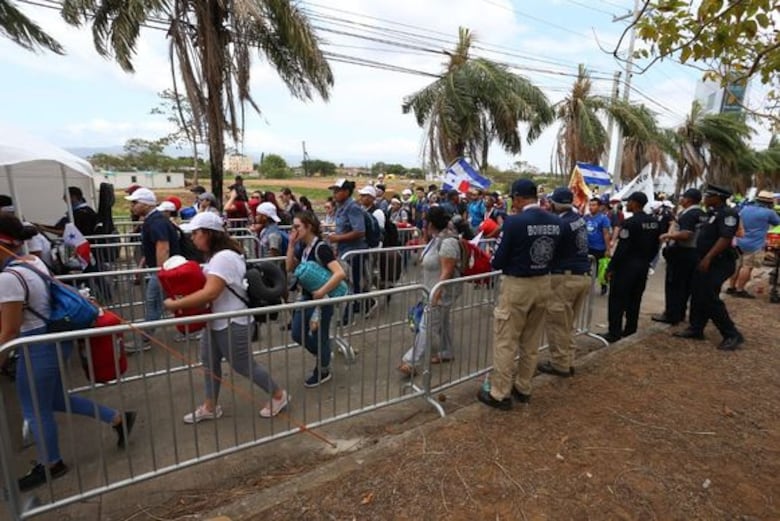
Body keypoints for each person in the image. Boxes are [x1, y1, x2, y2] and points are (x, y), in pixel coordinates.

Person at [0, 214, 135, 491]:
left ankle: (52, 464)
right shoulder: (32, 262)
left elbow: (10, 329)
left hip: (35, 343)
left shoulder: (9, 278)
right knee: (55, 400)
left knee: (35, 408)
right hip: (52, 339)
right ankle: (117, 418)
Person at [164, 212, 289, 421]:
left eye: (195, 233)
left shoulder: (223, 258)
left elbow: (211, 292)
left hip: (232, 321)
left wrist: (175, 305)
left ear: (208, 234)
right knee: (209, 362)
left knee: (242, 364)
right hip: (217, 320)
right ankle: (210, 406)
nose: (192, 238)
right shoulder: (219, 256)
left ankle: (279, 395)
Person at [478, 179, 562, 410]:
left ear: (517, 198)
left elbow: (498, 260)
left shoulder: (514, 222)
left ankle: (500, 393)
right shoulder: (555, 221)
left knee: (506, 341)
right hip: (543, 282)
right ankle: (524, 387)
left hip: (518, 285)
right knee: (531, 341)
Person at [674, 185, 744, 350]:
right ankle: (696, 328)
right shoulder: (712, 213)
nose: (705, 198)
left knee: (709, 297)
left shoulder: (728, 214)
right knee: (698, 294)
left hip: (718, 261)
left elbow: (725, 238)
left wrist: (708, 257)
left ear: (718, 197)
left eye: (708, 195)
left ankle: (731, 334)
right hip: (705, 260)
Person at [285, 211, 346, 387]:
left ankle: (323, 369)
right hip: (307, 296)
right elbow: (289, 267)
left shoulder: (321, 248)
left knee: (321, 335)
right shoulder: (302, 247)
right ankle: (324, 355)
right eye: (292, 227)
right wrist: (290, 244)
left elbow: (339, 273)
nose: (294, 230)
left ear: (308, 227)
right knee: (297, 332)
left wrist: (321, 290)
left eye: (297, 227)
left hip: (323, 299)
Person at [398, 206, 461, 375]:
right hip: (431, 289)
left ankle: (411, 361)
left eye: (426, 221)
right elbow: (422, 257)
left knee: (427, 325)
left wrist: (436, 294)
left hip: (440, 292)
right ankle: (447, 351)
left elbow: (447, 271)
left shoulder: (448, 242)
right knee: (442, 323)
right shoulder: (436, 238)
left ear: (431, 222)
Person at [539, 188, 591, 378]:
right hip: (581, 275)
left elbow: (549, 250)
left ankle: (560, 364)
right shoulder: (578, 219)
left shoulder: (561, 224)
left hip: (565, 278)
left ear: (554, 203)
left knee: (557, 322)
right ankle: (567, 360)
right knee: (568, 324)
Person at [599, 192, 660, 343]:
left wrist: (611, 268)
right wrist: (646, 261)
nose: (627, 204)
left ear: (635, 203)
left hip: (626, 268)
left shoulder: (630, 223)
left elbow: (622, 249)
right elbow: (655, 246)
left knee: (617, 300)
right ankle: (630, 330)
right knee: (635, 299)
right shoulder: (654, 222)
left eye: (629, 202)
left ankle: (614, 332)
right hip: (642, 266)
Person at [126, 187, 181, 352]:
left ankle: (144, 340)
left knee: (154, 303)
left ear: (145, 204)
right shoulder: (154, 220)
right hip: (162, 269)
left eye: (135, 203)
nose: (132, 207)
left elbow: (162, 247)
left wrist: (160, 272)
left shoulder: (156, 221)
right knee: (164, 303)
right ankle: (192, 329)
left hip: (162, 270)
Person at [652, 188, 705, 325]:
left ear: (688, 199)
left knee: (674, 285)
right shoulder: (701, 213)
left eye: (683, 197)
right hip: (694, 253)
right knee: (685, 286)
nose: (681, 199)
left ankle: (671, 314)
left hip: (683, 252)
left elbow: (686, 234)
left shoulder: (689, 214)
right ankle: (679, 313)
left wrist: (667, 235)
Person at [328, 179, 376, 321]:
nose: (334, 194)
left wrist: (338, 238)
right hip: (346, 252)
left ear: (346, 192)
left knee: (353, 283)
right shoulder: (341, 207)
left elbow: (359, 231)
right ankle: (366, 303)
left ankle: (348, 316)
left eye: (337, 191)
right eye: (334, 191)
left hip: (355, 252)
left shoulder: (352, 208)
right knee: (352, 283)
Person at [726, 191, 780, 298]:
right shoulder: (769, 212)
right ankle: (740, 290)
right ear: (770, 202)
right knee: (747, 267)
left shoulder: (745, 209)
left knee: (737, 266)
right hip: (755, 244)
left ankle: (731, 287)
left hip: (739, 241)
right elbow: (777, 223)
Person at [584, 198, 612, 296]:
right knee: (586, 269)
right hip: (587, 248)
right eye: (590, 205)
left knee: (601, 270)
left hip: (600, 248)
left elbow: (606, 234)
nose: (591, 207)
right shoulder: (585, 218)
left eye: (594, 205)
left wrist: (608, 249)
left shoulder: (604, 219)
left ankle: (603, 286)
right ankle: (586, 287)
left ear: (599, 207)